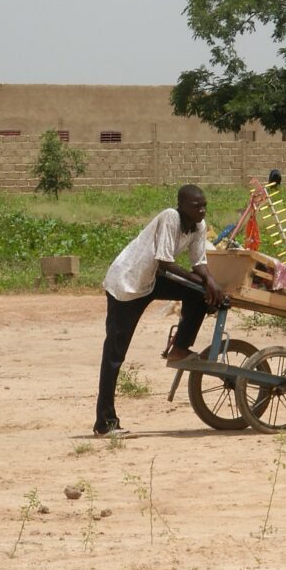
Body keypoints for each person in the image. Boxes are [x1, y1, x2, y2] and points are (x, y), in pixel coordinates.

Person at [93, 184, 225, 436]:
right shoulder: (170, 217)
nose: (202, 210)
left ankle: (179, 349)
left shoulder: (199, 226)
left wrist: (211, 283)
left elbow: (199, 263)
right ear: (182, 205)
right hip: (128, 282)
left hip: (151, 279)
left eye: (204, 205)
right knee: (114, 354)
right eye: (197, 205)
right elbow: (165, 263)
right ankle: (104, 423)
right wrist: (205, 283)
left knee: (199, 295)